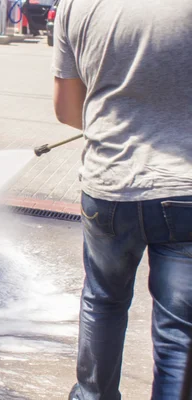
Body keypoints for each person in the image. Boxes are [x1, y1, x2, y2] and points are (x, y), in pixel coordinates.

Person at [52, 1, 192, 399]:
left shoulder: (76, 5)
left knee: (104, 301)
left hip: (109, 187)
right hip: (185, 189)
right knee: (178, 328)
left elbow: (66, 109)